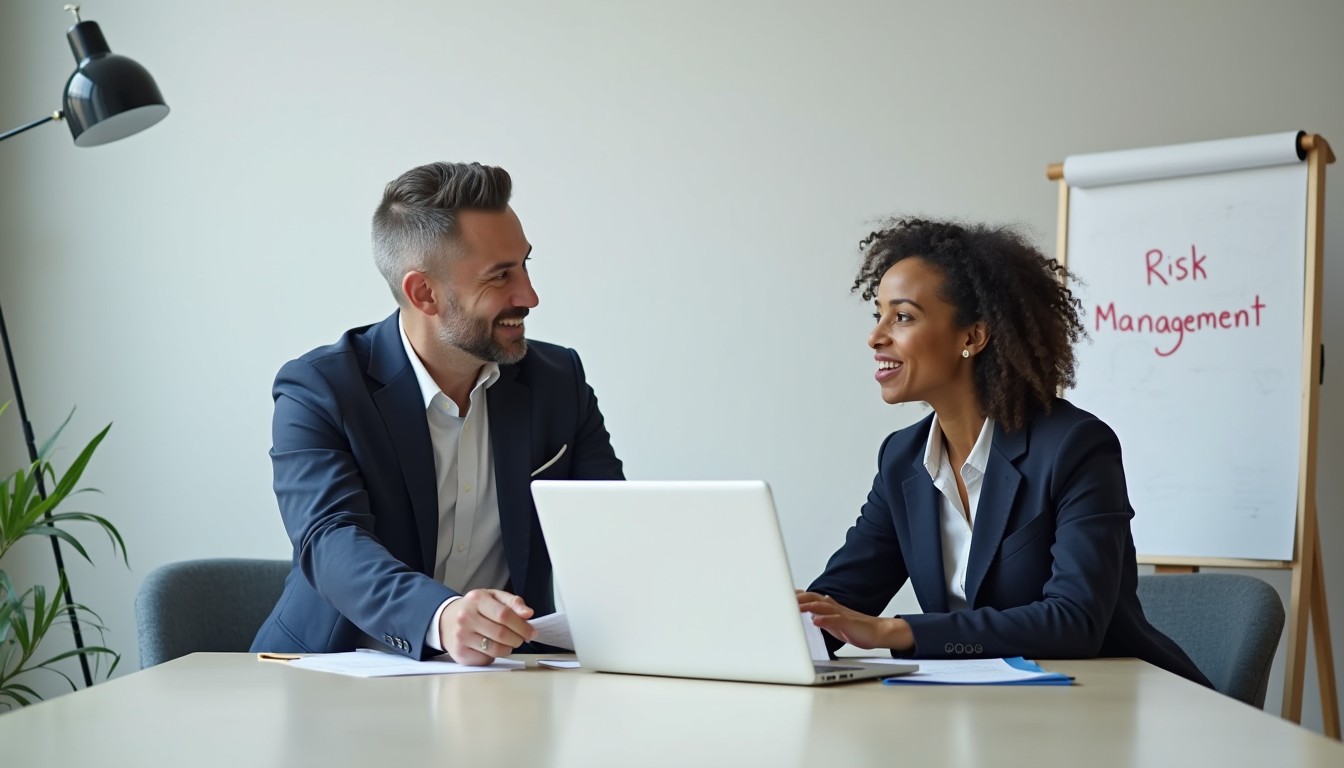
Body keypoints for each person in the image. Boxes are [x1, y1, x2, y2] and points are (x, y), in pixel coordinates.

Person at [796, 217, 1210, 686]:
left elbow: (1075, 621)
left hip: (1108, 701)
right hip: (986, 706)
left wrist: (898, 630)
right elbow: (841, 600)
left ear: (972, 337)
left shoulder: (1075, 447)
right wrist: (781, 625)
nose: (876, 336)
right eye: (879, 315)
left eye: (903, 317)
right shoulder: (902, 459)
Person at [251, 161, 624, 665]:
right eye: (501, 275)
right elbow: (330, 539)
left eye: (525, 265)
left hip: (509, 678)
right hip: (334, 672)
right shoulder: (320, 389)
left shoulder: (559, 381)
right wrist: (442, 617)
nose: (530, 296)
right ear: (423, 293)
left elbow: (612, 531)